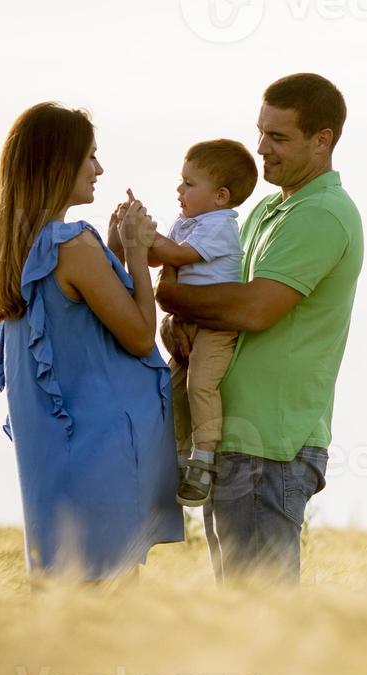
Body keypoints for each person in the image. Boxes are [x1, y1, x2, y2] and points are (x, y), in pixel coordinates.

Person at [156, 73, 364, 585]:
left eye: (278, 137)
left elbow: (253, 309)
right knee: (239, 616)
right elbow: (219, 296)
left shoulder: (322, 214)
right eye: (261, 132)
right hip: (237, 438)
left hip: (268, 442)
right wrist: (175, 324)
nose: (261, 149)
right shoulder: (268, 210)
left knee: (259, 619)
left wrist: (170, 295)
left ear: (323, 140)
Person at [0, 102, 183, 581]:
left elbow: (81, 321)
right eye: (90, 156)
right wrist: (135, 254)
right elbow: (136, 336)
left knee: (68, 606)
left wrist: (111, 250)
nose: (99, 168)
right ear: (58, 163)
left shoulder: (18, 251)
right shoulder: (72, 245)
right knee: (110, 607)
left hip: (52, 464)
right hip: (99, 456)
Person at [147, 139, 260, 507]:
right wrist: (139, 232)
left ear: (220, 196)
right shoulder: (188, 222)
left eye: (189, 184)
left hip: (215, 327)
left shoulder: (219, 226)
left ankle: (204, 460)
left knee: (201, 386)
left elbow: (177, 256)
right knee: (174, 387)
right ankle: (180, 457)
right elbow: (159, 261)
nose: (179, 190)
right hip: (187, 321)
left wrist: (148, 237)